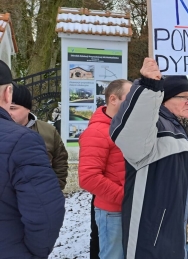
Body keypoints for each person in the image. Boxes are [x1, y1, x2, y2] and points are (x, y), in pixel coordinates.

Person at [110, 59, 188, 259]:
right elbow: (131, 134)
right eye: (183, 97)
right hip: (156, 239)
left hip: (186, 234)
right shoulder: (155, 126)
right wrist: (149, 86)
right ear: (164, 100)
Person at [0, 60, 65, 258]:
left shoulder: (45, 131)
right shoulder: (22, 141)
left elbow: (60, 161)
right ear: (7, 92)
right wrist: (33, 253)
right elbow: (45, 214)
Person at [79, 79, 132, 258]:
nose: (134, 101)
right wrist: (125, 197)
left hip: (130, 209)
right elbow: (88, 178)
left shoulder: (125, 128)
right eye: (130, 96)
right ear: (113, 99)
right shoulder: (97, 132)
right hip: (113, 212)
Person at [9, 83, 68, 190]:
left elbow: (60, 163)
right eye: (4, 108)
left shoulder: (48, 131)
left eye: (12, 108)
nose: (8, 113)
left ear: (28, 109)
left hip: (41, 199)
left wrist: (52, 190)